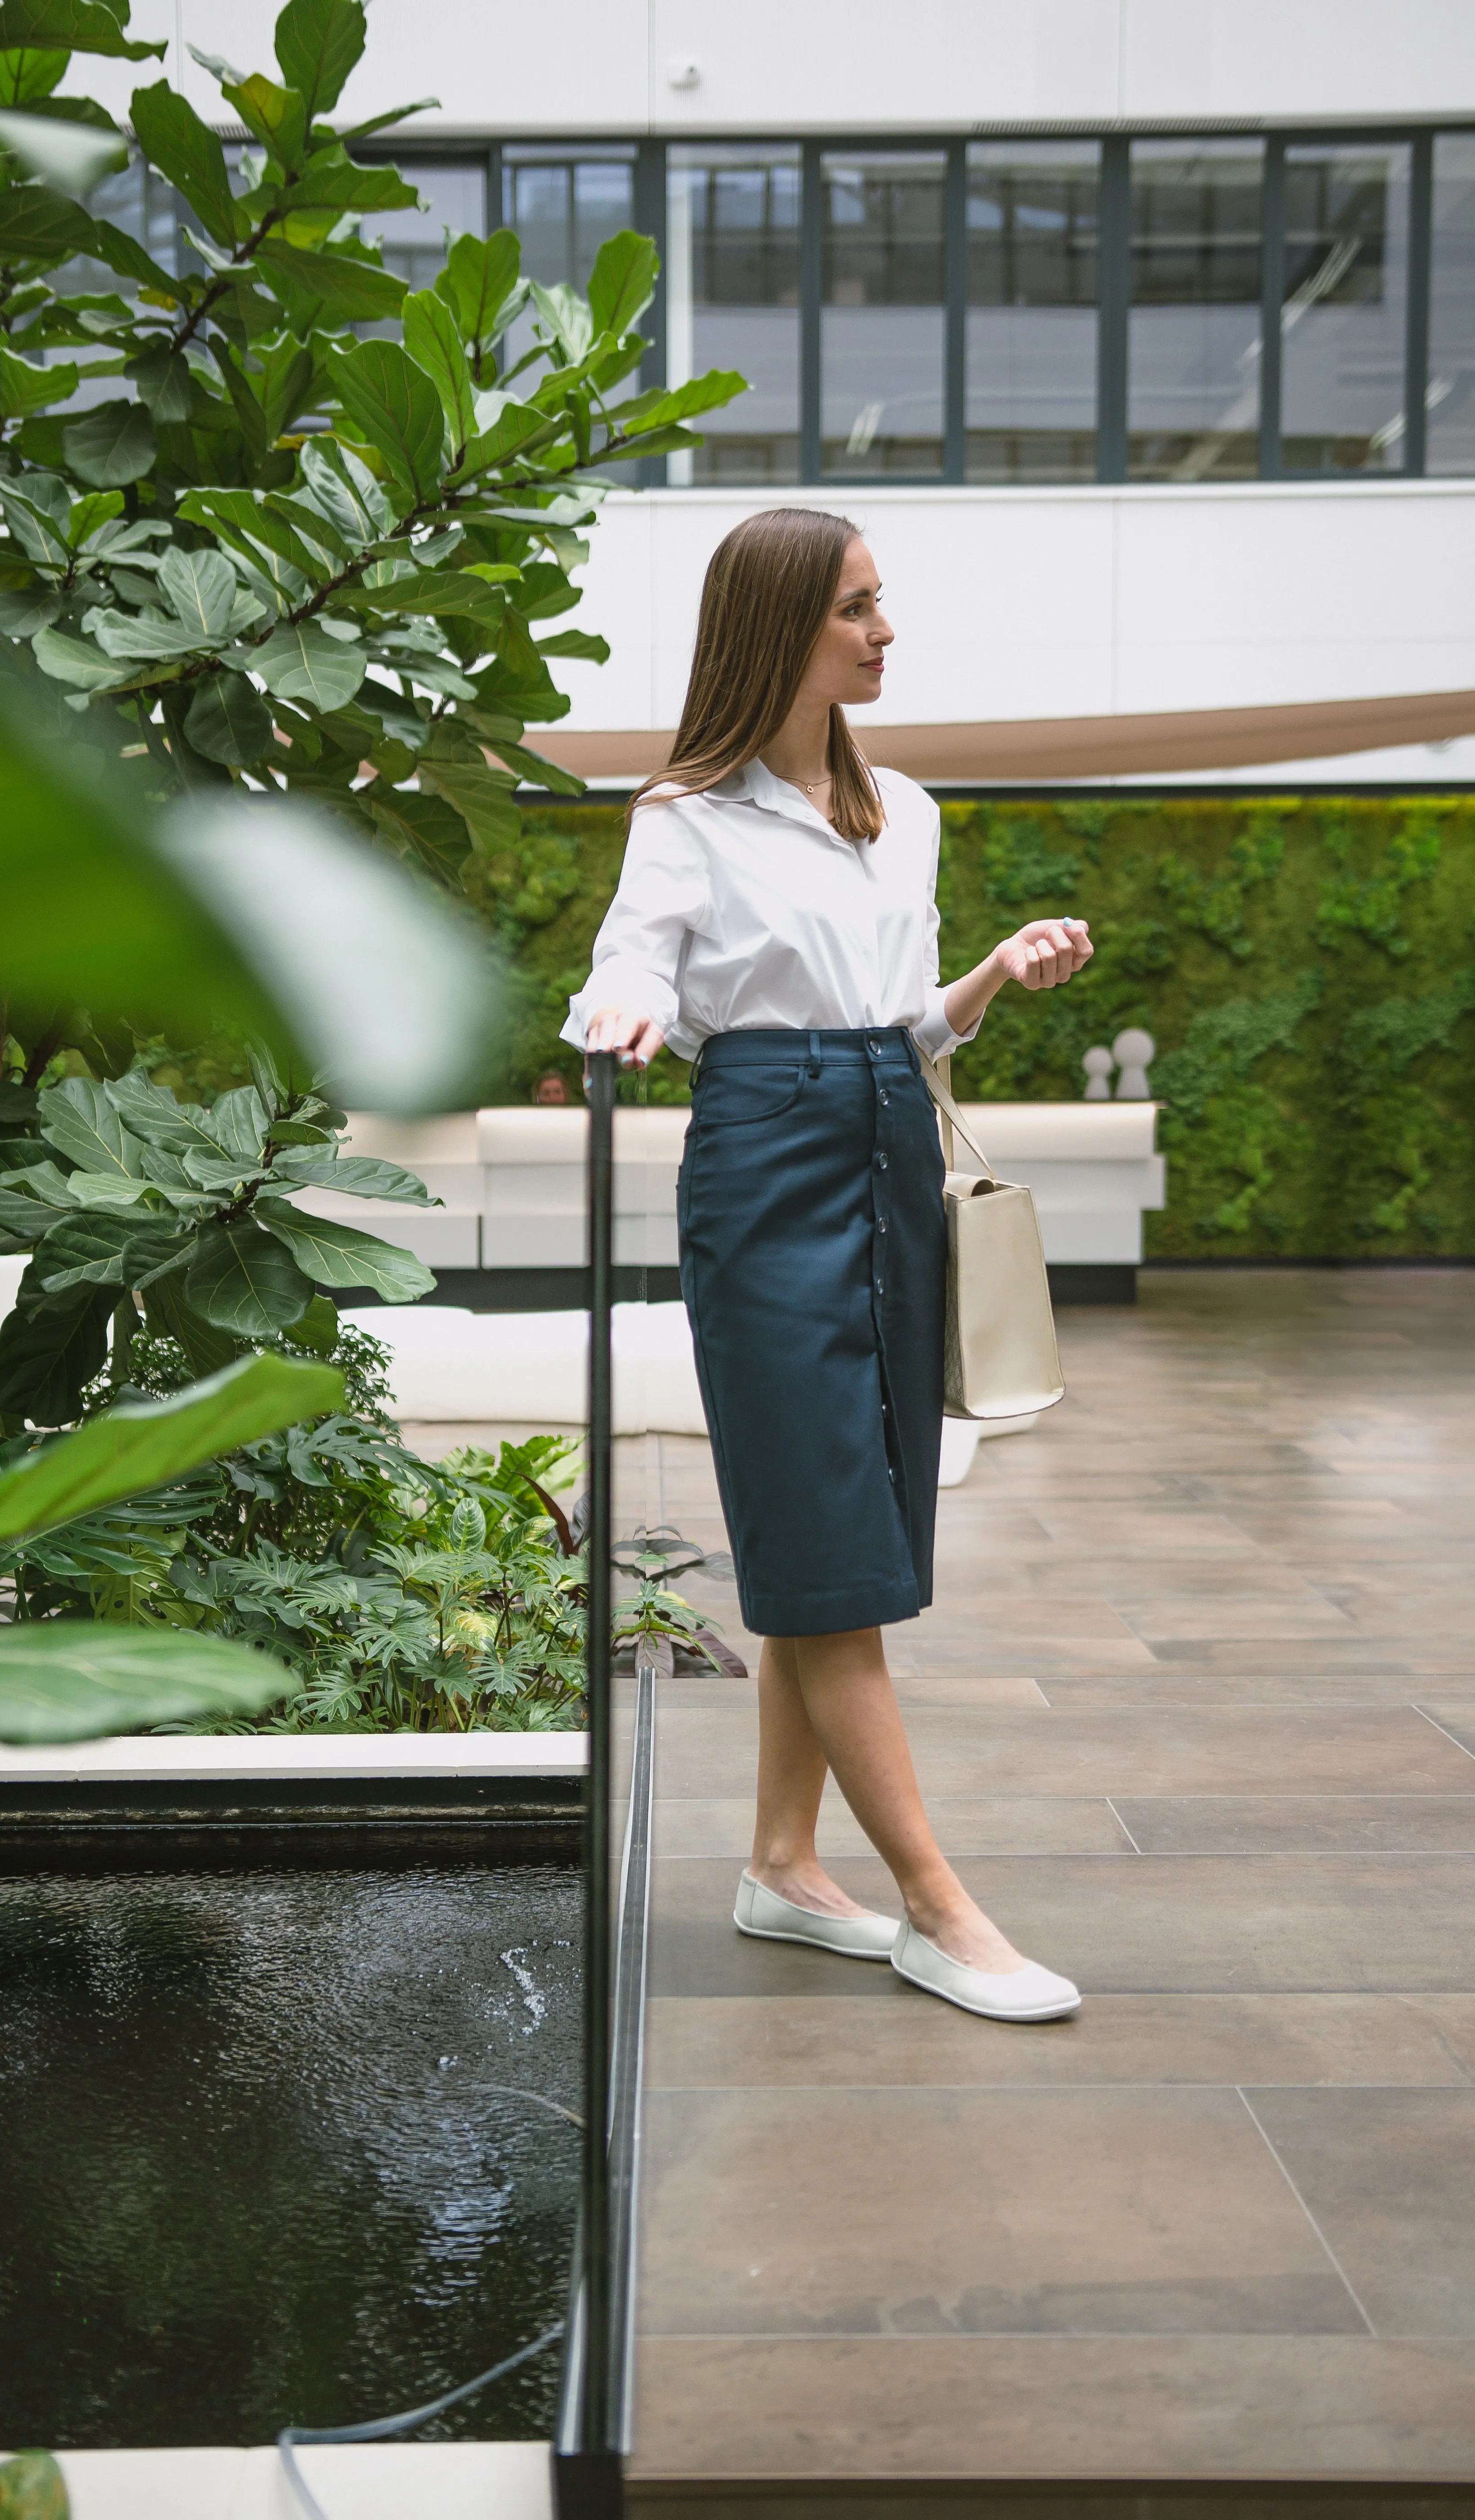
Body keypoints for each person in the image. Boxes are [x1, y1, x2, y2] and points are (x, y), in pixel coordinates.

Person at [561, 508, 1094, 2024]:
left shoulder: (902, 810)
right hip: (764, 1159)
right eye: (861, 607)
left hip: (889, 1148)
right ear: (785, 625)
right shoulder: (686, 814)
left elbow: (903, 1032)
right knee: (825, 1538)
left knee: (849, 1525)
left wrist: (986, 979)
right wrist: (619, 1016)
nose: (885, 630)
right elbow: (631, 963)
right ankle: (940, 1908)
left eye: (881, 603)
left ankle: (785, 1865)